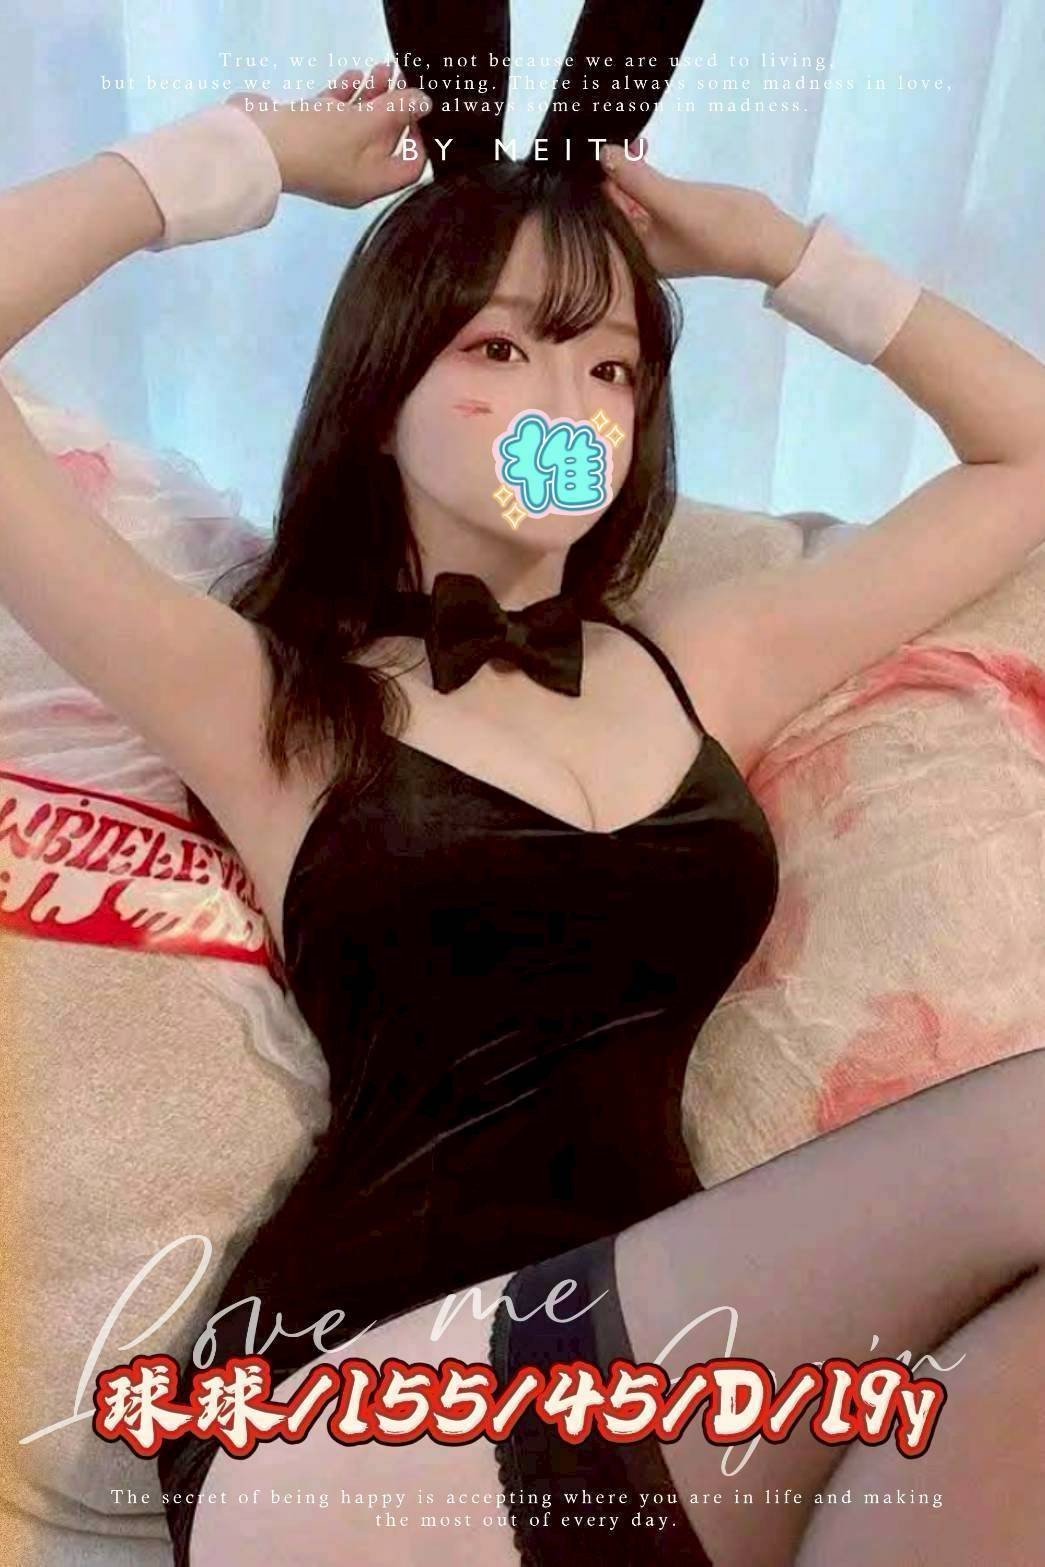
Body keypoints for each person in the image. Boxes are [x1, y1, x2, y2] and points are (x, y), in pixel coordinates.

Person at [0, 50, 1043, 1567]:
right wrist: (246, 155)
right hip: (348, 1398)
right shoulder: (265, 695)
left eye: (609, 367)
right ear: (378, 395)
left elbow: (1030, 454)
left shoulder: (702, 666)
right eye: (497, 348)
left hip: (664, 1377)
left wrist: (774, 248)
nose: (563, 404)